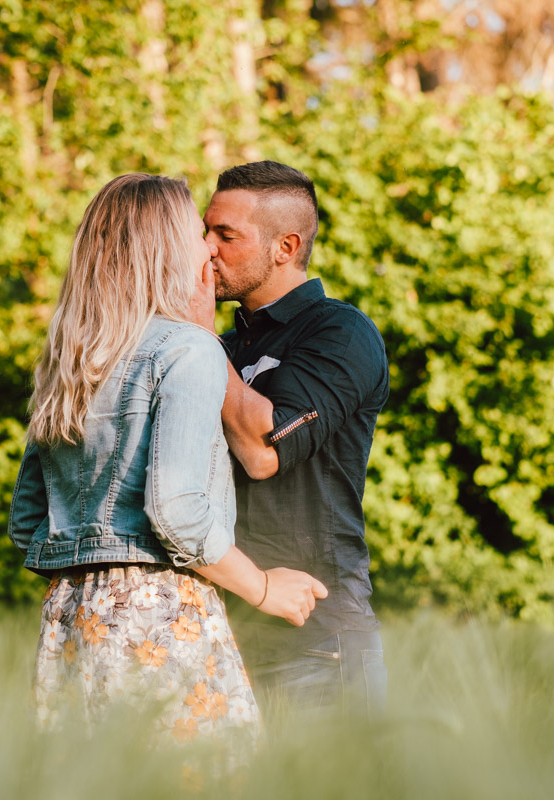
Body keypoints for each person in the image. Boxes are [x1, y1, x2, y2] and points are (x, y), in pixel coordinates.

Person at [8, 173, 329, 744]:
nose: (207, 246)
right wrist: (260, 588)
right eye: (194, 232)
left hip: (69, 614)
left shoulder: (71, 358)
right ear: (163, 248)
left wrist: (91, 575)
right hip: (161, 614)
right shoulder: (189, 348)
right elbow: (177, 512)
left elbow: (27, 522)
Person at [192, 161, 390, 720]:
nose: (206, 249)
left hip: (317, 642)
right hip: (221, 632)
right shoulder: (223, 347)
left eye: (226, 235)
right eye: (206, 231)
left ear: (286, 246)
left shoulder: (340, 332)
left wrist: (197, 331)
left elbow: (262, 451)